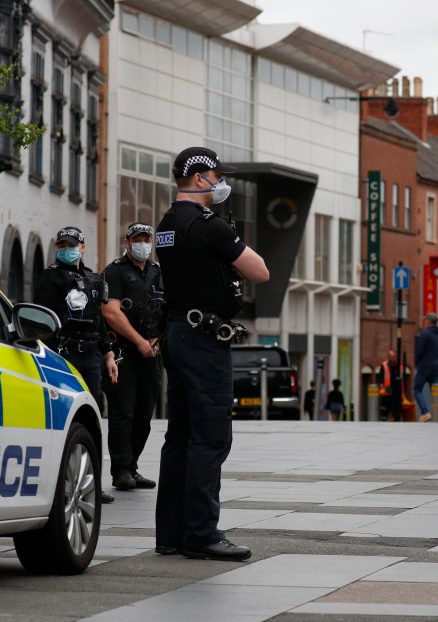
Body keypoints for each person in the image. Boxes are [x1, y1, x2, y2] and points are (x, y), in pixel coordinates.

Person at [154, 146, 269, 561]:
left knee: (179, 436)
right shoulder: (209, 225)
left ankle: (170, 533)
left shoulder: (166, 223)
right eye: (217, 175)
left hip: (177, 333)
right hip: (203, 340)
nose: (222, 183)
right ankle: (202, 533)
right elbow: (260, 270)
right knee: (210, 436)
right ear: (200, 178)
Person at [34, 226, 118, 503]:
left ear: (82, 247)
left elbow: (100, 321)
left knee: (92, 415)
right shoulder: (50, 278)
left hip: (91, 354)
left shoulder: (92, 278)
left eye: (71, 245)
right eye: (61, 245)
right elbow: (40, 319)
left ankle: (91, 480)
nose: (65, 249)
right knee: (65, 415)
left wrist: (108, 355)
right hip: (64, 352)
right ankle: (61, 479)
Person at [101, 222, 165, 492]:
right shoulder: (115, 272)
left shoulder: (158, 273)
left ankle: (133, 466)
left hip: (152, 355)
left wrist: (157, 339)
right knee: (122, 415)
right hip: (125, 355)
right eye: (137, 239)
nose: (142, 244)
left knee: (143, 416)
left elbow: (168, 309)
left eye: (146, 239)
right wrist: (139, 341)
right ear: (127, 242)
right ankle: (121, 471)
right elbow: (110, 312)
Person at [413, 312, 438, 423]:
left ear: (429, 322)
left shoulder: (425, 334)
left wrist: (417, 363)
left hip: (425, 366)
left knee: (417, 389)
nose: (424, 322)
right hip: (436, 367)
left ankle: (425, 412)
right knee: (434, 391)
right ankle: (437, 415)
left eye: (426, 320)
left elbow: (419, 351)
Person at [378, 349, 409, 422]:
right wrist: (382, 388)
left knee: (396, 413)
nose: (393, 359)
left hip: (396, 393)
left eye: (394, 357)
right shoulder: (384, 365)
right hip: (387, 392)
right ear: (389, 357)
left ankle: (395, 420)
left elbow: (402, 381)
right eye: (392, 357)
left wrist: (403, 394)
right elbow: (381, 379)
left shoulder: (400, 367)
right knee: (384, 413)